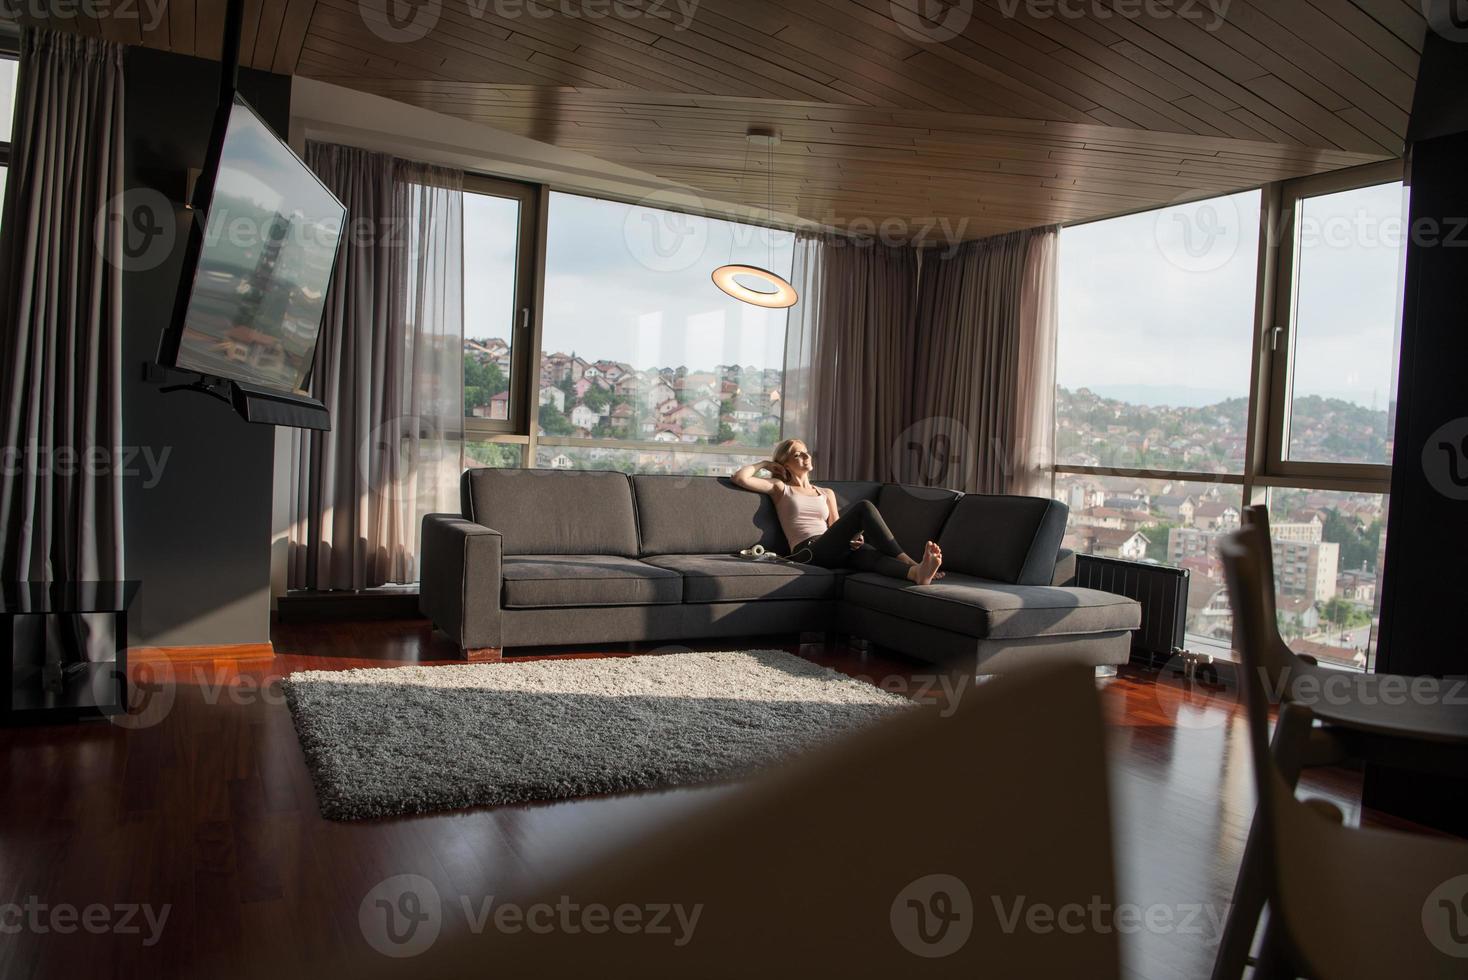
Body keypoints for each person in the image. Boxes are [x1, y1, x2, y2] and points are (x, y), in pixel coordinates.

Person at [731, 439, 943, 585]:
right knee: (863, 508)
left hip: (833, 547)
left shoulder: (826, 493)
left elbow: (836, 528)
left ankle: (917, 574)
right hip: (809, 551)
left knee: (870, 556)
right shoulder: (780, 488)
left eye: (807, 451)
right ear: (784, 463)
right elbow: (740, 478)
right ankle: (910, 561)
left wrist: (854, 539)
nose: (807, 455)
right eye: (798, 454)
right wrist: (765, 463)